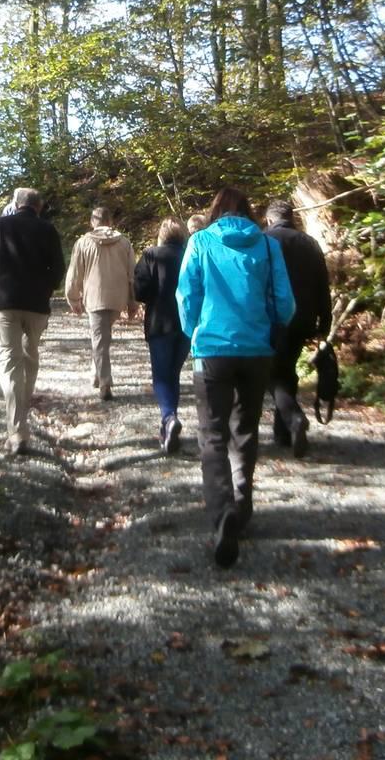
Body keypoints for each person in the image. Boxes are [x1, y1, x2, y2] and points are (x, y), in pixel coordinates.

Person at [177, 187, 293, 568]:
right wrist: (274, 326)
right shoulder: (266, 244)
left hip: (212, 350)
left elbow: (186, 296)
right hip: (257, 349)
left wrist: (193, 330)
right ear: (249, 212)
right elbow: (284, 301)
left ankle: (222, 509)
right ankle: (242, 506)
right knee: (244, 428)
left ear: (214, 210)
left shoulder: (200, 241)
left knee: (212, 433)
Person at [0, 188, 66, 457]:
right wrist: (47, 289)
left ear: (16, 205)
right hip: (37, 306)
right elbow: (59, 269)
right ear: (39, 206)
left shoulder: (1, 226)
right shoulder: (48, 230)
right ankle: (20, 416)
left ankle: (17, 430)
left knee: (9, 362)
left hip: (7, 303)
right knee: (29, 358)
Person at [262, 199, 332, 458]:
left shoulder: (265, 242)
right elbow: (322, 283)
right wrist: (325, 320)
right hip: (304, 319)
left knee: (271, 373)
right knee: (287, 369)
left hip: (274, 317)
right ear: (292, 217)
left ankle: (293, 418)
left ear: (269, 219)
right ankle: (283, 433)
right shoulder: (310, 243)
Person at [64, 206, 139, 401]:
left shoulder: (83, 243)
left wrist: (73, 298)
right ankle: (96, 374)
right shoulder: (124, 243)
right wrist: (132, 301)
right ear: (111, 222)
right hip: (118, 298)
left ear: (92, 222)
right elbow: (133, 275)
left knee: (99, 339)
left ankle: (105, 382)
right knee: (102, 337)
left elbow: (74, 275)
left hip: (94, 298)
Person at [134, 217, 190, 454]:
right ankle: (168, 423)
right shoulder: (190, 253)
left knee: (161, 376)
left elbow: (140, 291)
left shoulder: (151, 255)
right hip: (187, 323)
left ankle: (168, 418)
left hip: (160, 322)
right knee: (173, 374)